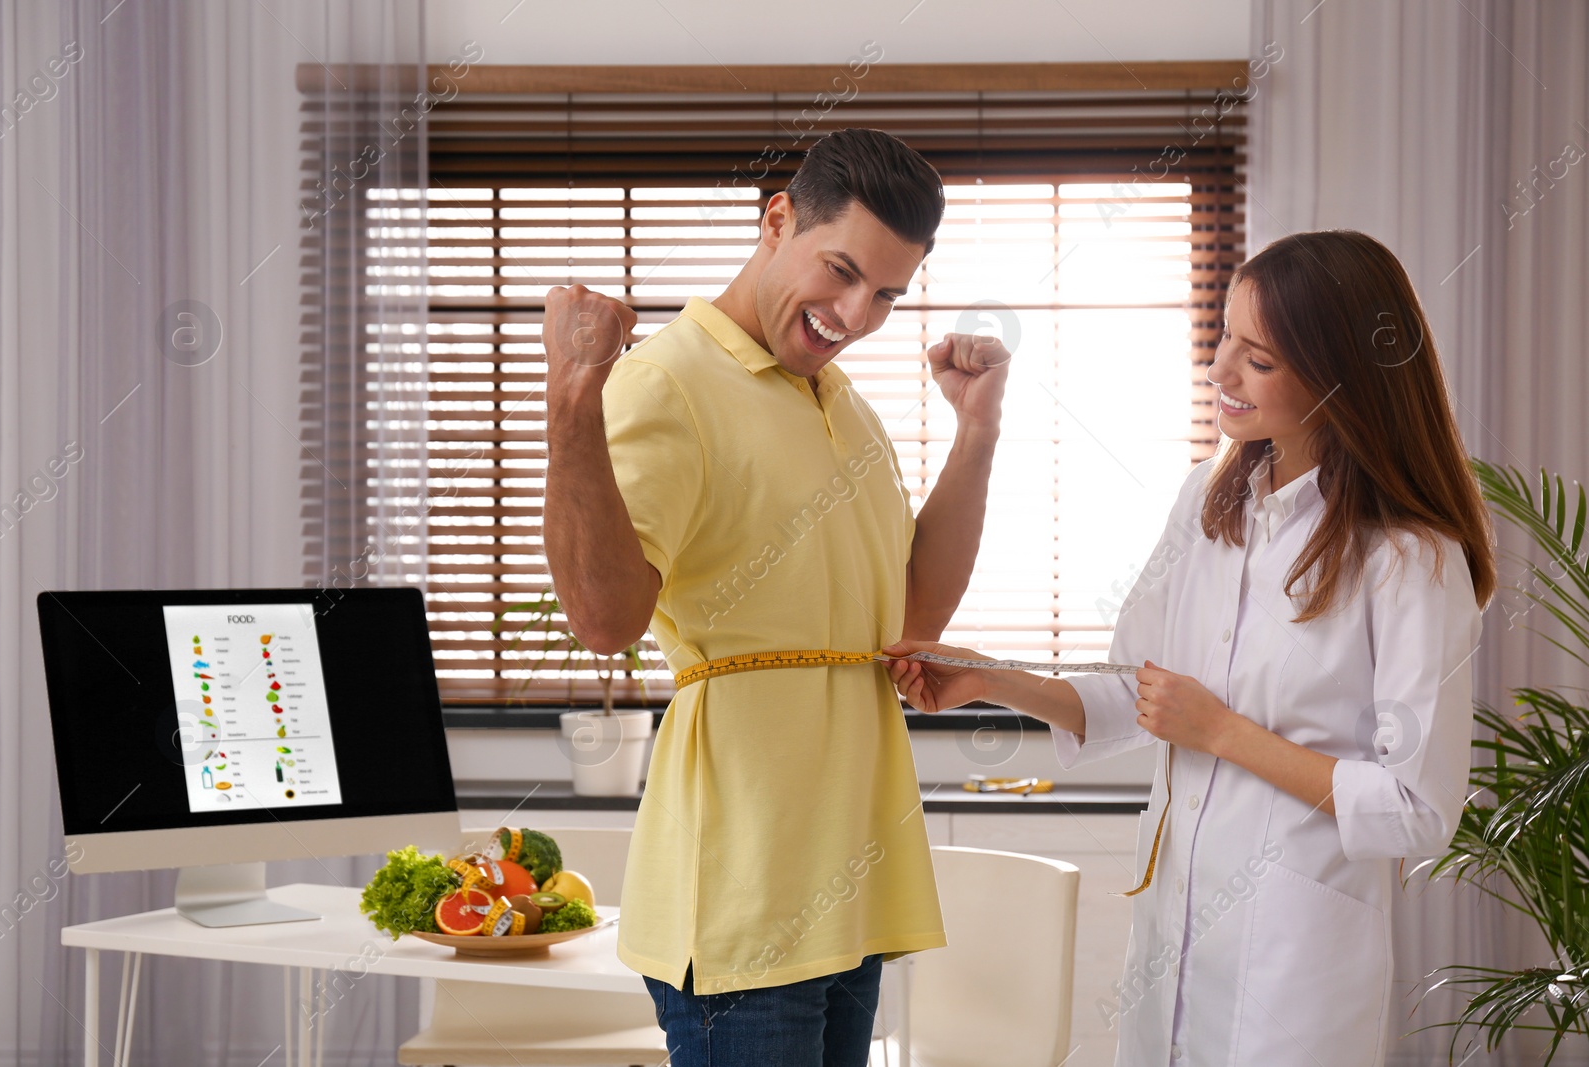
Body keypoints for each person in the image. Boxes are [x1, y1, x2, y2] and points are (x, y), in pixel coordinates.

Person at [885, 230, 1496, 1067]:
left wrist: (1222, 733)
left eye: (1260, 358)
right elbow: (1136, 694)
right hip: (1173, 942)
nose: (1221, 372)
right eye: (1224, 341)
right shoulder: (1210, 503)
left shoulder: (1410, 559)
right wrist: (993, 680)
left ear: (1341, 378)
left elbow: (1417, 810)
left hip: (1297, 970)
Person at [540, 128, 1010, 1064]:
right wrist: (571, 395)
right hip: (742, 902)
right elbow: (602, 620)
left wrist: (978, 429)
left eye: (885, 293)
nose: (854, 311)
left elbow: (914, 616)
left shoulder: (842, 405)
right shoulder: (665, 382)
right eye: (840, 270)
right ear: (777, 218)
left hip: (846, 885)